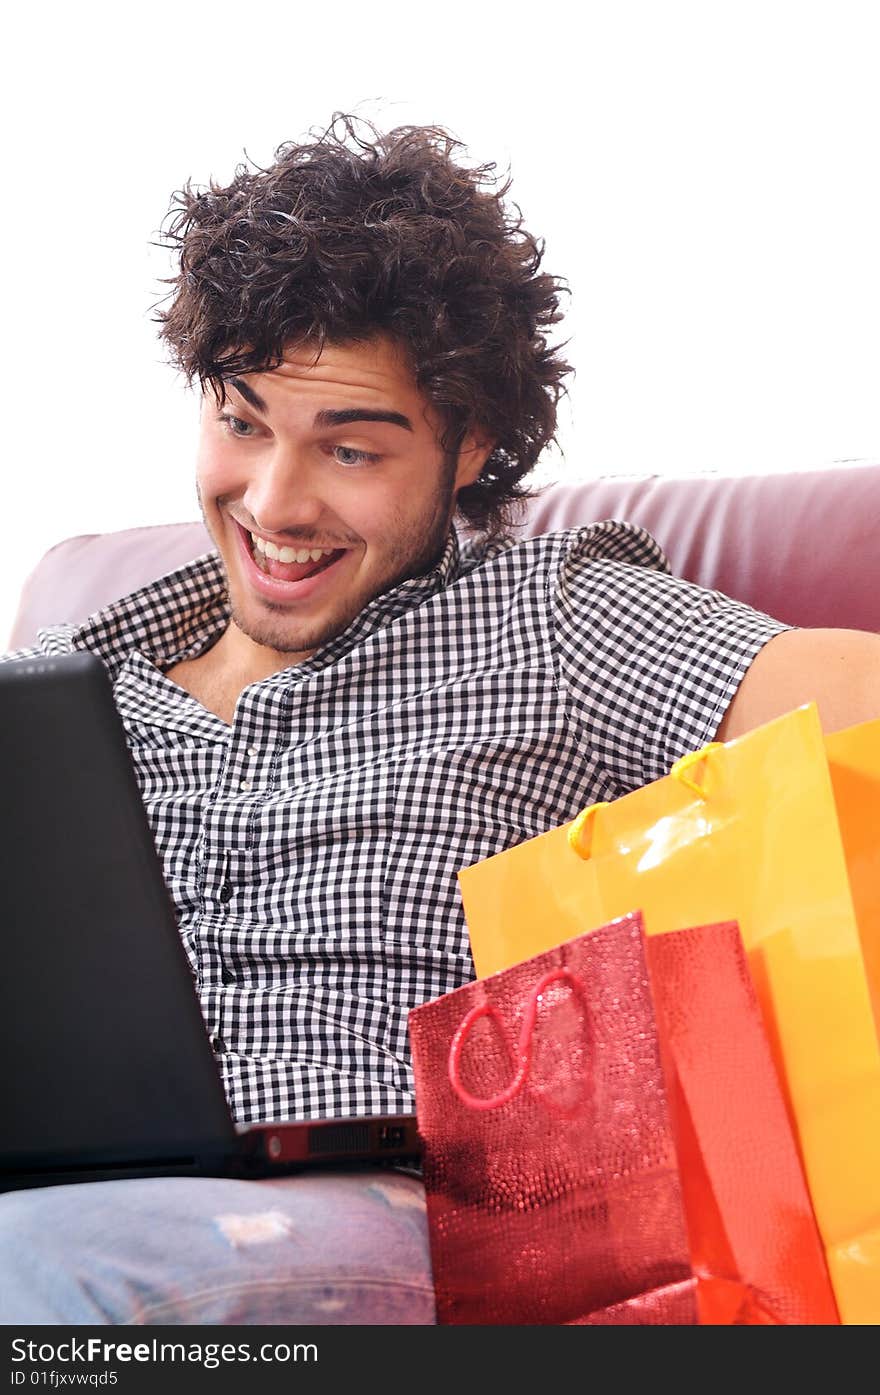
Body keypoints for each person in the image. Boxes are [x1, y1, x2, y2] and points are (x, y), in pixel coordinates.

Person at [1, 115, 878, 1326]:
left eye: (349, 449)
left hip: (390, 1211)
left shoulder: (555, 618)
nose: (274, 503)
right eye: (242, 423)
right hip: (47, 1188)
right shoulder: (60, 686)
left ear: (468, 449)